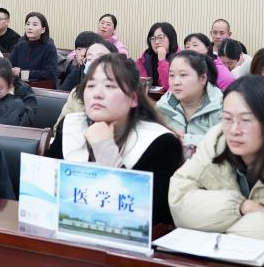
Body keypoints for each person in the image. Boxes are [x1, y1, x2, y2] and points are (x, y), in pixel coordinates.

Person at [169, 75, 264, 249]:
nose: (234, 130)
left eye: (246, 120)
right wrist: (241, 207)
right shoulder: (214, 145)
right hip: (221, 256)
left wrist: (211, 226)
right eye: (227, 119)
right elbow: (178, 201)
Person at [47, 54, 183, 224]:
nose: (97, 94)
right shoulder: (71, 126)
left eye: (109, 86)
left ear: (133, 99)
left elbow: (146, 213)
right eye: (91, 85)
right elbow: (46, 188)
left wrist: (104, 148)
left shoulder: (161, 142)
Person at [156, 50, 224, 149]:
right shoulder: (163, 106)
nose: (176, 82)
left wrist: (185, 140)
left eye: (183, 75)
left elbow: (226, 144)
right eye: (171, 75)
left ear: (202, 78)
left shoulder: (222, 106)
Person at [54, 39, 119, 127]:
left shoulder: (121, 95)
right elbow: (59, 128)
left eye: (100, 58)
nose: (93, 62)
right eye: (89, 59)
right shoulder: (76, 93)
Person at [8, 12, 57, 83]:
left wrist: (23, 73)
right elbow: (8, 66)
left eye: (35, 25)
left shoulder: (49, 47)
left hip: (40, 86)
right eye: (28, 24)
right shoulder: (19, 46)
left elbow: (51, 74)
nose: (30, 27)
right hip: (18, 84)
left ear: (43, 29)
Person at [136, 22, 179, 88]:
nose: (156, 42)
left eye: (160, 37)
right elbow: (141, 85)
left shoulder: (180, 59)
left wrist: (162, 61)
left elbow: (170, 86)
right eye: (153, 38)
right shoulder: (145, 58)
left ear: (171, 38)